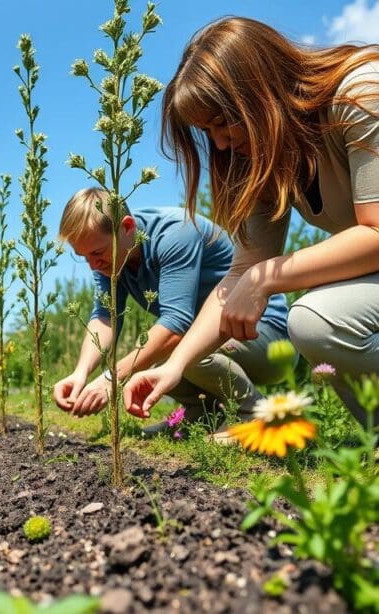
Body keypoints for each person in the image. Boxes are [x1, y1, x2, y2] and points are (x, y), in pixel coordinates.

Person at [124, 17, 379, 429]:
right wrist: (176, 365)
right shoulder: (267, 160)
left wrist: (265, 278)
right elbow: (241, 271)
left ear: (261, 89)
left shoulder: (362, 93)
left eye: (223, 121)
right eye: (207, 131)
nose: (220, 143)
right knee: (318, 314)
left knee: (315, 317)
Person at [52, 187, 292, 435]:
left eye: (97, 253)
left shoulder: (176, 233)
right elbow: (104, 317)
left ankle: (255, 416)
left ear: (127, 227)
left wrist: (111, 378)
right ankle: (200, 414)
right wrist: (80, 374)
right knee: (148, 353)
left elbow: (176, 325)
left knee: (166, 348)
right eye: (83, 257)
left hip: (264, 336)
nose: (92, 265)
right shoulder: (110, 256)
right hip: (211, 341)